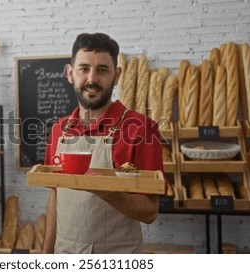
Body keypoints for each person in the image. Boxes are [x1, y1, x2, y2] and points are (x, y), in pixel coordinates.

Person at [42, 33, 163, 254]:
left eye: (102, 70)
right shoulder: (59, 129)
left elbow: (150, 212)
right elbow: (55, 195)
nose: (91, 79)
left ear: (117, 75)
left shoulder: (142, 128)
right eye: (83, 69)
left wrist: (104, 190)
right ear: (70, 73)